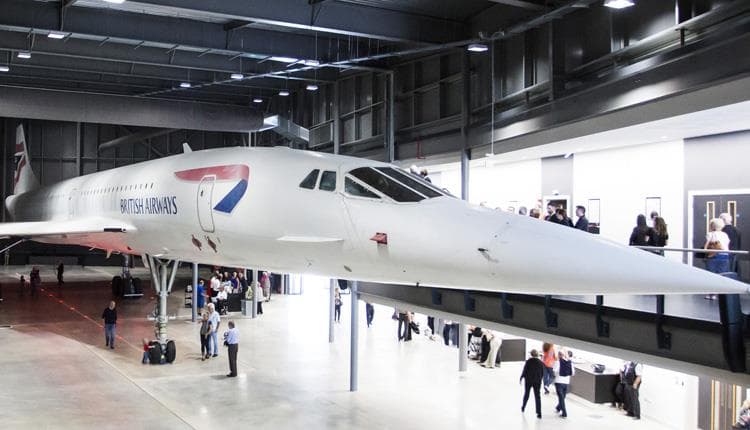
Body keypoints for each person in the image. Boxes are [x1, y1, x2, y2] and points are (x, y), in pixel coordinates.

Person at [520, 349, 545, 419]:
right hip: (537, 381)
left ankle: (523, 407)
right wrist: (540, 379)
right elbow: (542, 373)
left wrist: (521, 377)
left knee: (526, 394)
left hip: (528, 380)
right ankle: (539, 412)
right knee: (537, 396)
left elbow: (525, 370)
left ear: (531, 354)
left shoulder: (529, 361)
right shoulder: (541, 362)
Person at [553, 348, 575, 418]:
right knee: (563, 397)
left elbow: (555, 371)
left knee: (561, 398)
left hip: (558, 381)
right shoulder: (570, 363)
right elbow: (573, 373)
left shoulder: (558, 362)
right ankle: (558, 408)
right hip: (566, 382)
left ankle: (564, 413)